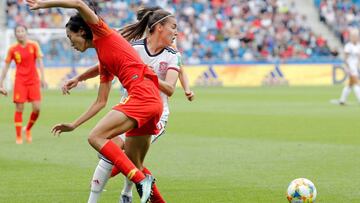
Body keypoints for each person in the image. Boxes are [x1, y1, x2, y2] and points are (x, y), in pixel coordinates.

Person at [26, 1, 166, 202]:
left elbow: (78, 3)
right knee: (136, 164)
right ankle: (146, 184)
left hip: (142, 95)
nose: (70, 43)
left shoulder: (102, 32)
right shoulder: (103, 54)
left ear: (82, 31)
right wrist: (74, 124)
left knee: (96, 137)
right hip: (152, 101)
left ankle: (140, 180)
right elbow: (101, 101)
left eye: (70, 36)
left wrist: (44, 4)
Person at [61, 7, 194, 203]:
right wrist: (79, 77)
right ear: (159, 28)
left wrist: (151, 75)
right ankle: (130, 192)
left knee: (109, 152)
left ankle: (126, 189)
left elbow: (171, 88)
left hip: (153, 108)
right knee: (129, 160)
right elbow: (105, 64)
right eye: (173, 27)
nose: (176, 32)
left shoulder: (172, 55)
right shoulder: (135, 47)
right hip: (133, 103)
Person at [0, 25, 46, 144]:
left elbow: (40, 62)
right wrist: (1, 83)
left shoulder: (34, 45)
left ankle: (28, 129)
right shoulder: (12, 49)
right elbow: (6, 67)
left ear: (26, 32)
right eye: (18, 31)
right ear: (15, 34)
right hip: (20, 81)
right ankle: (19, 136)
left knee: (37, 108)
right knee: (19, 108)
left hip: (33, 80)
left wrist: (43, 78)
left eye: (22, 31)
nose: (20, 33)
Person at [338, 28, 360, 105]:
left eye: (357, 36)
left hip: (356, 67)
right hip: (350, 67)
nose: (356, 38)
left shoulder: (358, 45)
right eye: (354, 36)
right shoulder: (348, 46)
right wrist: (347, 67)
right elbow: (345, 58)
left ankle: (342, 100)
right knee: (356, 83)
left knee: (350, 84)